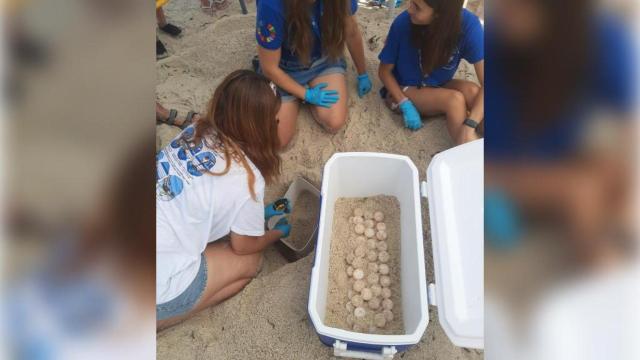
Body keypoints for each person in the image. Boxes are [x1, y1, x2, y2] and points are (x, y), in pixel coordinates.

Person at [156, 70, 291, 329]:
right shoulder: (248, 177)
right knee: (251, 262)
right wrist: (276, 234)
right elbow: (243, 247)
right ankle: (176, 312)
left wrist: (257, 214)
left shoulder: (193, 130)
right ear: (261, 127)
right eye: (274, 120)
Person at [256, 0, 372, 147]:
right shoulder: (271, 5)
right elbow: (269, 68)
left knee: (334, 122)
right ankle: (296, 98)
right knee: (278, 141)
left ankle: (299, 99)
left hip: (322, 60)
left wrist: (362, 73)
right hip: (284, 68)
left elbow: (352, 31)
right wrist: (306, 94)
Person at [378, 0, 484, 144]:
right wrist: (404, 103)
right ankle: (470, 155)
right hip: (405, 88)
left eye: (417, 7)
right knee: (454, 100)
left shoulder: (468, 25)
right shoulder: (403, 23)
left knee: (473, 91)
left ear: (440, 15)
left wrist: (471, 123)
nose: (409, 9)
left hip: (437, 83)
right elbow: (384, 72)